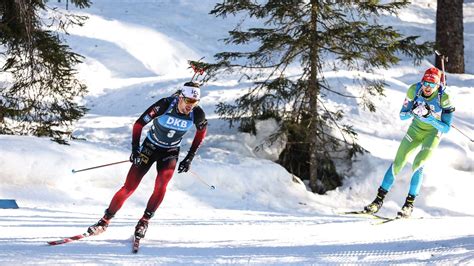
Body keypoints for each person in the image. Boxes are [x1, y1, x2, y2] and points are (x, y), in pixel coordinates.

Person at [87, 81, 207, 239]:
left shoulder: (197, 113)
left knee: (161, 186)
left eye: (195, 102)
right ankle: (104, 221)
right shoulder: (164, 105)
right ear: (180, 97)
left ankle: (144, 221)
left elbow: (201, 133)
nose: (191, 106)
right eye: (189, 101)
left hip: (170, 152)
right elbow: (138, 124)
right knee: (129, 187)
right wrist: (135, 149)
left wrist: (189, 158)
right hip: (149, 148)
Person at [364, 67, 455, 218]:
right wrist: (413, 110)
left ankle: (408, 205)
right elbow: (402, 116)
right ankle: (377, 201)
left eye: (432, 85)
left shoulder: (444, 98)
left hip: (432, 133)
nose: (427, 88)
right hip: (414, 130)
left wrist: (430, 117)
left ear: (438, 86)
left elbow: (445, 128)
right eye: (425, 83)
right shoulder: (414, 90)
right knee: (398, 162)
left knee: (418, 163)